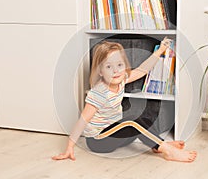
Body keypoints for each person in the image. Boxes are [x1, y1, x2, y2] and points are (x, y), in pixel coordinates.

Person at [52, 37, 197, 162]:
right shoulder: (99, 93)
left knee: (144, 119)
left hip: (114, 135)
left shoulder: (121, 80)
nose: (116, 71)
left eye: (119, 65)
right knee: (132, 121)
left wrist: (159, 51)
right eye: (109, 66)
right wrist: (69, 147)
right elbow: (83, 120)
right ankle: (167, 150)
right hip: (99, 141)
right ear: (100, 71)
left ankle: (158, 145)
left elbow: (142, 70)